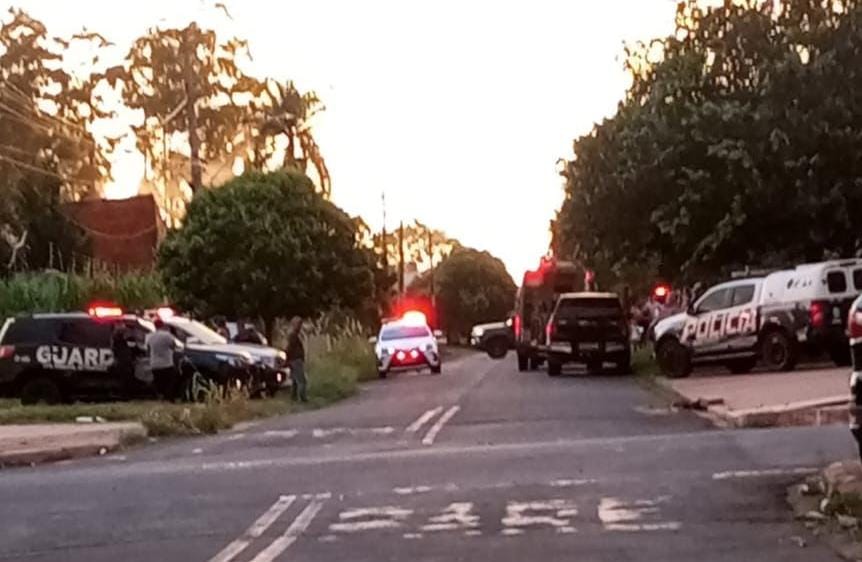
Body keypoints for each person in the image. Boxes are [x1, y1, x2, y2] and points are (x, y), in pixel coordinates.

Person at [146, 318, 178, 400]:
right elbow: (173, 346)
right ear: (163, 325)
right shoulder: (167, 335)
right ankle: (169, 398)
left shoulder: (150, 336)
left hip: (154, 364)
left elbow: (148, 350)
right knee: (169, 382)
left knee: (158, 383)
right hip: (167, 363)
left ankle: (160, 397)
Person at [286, 316, 307, 402]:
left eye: (300, 324)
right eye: (298, 324)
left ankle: (293, 398)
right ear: (294, 324)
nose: (300, 327)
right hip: (296, 359)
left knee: (295, 380)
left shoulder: (294, 335)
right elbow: (290, 348)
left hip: (294, 359)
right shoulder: (293, 335)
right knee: (302, 380)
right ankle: (302, 398)